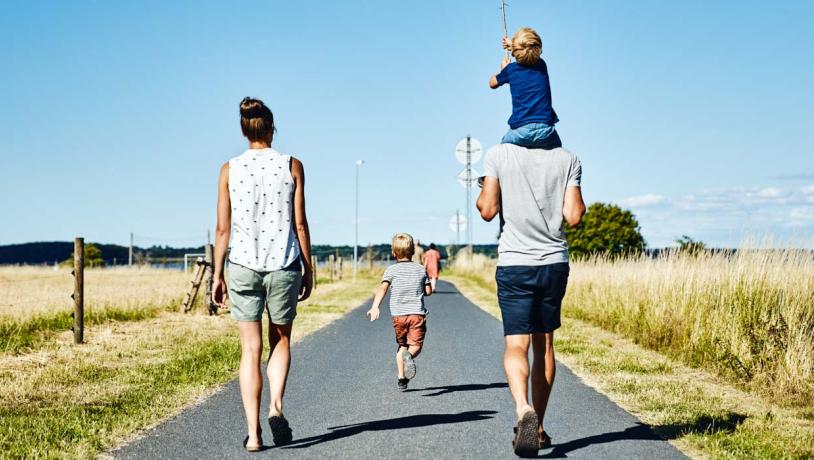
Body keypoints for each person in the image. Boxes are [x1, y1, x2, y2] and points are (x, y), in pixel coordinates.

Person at [212, 97, 314, 452]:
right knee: (281, 341)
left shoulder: (229, 169)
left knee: (249, 349)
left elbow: (222, 229)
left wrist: (216, 275)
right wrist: (308, 268)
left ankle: (254, 435)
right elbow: (299, 223)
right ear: (271, 128)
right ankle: (276, 407)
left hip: (241, 265)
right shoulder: (292, 165)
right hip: (283, 264)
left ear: (244, 130)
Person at [476, 142, 585, 457]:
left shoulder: (499, 155)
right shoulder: (568, 159)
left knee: (516, 344)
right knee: (545, 345)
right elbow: (574, 215)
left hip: (515, 264)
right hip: (552, 263)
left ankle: (523, 408)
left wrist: (485, 189)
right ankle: (537, 428)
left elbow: (487, 210)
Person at [366, 233, 433, 391]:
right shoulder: (420, 269)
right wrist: (425, 286)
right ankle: (409, 357)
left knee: (402, 346)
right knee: (415, 346)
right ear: (413, 251)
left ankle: (401, 378)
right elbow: (428, 291)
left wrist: (375, 306)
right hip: (416, 314)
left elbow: (383, 288)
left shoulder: (391, 270)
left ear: (393, 252)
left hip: (398, 316)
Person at [489, 27, 562, 150]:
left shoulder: (510, 70)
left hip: (520, 131)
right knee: (558, 149)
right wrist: (512, 43)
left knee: (502, 151)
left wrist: (503, 70)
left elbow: (492, 83)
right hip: (546, 131)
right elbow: (528, 49)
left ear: (516, 51)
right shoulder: (542, 65)